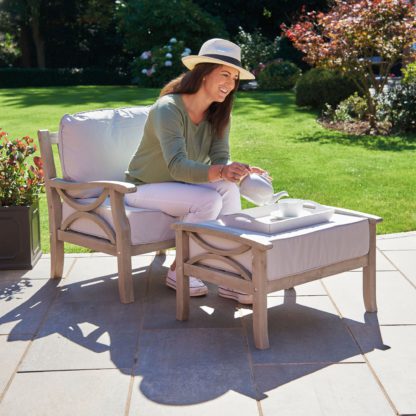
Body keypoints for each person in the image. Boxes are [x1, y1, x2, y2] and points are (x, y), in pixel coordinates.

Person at [125, 38, 267, 304]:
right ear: (203, 73)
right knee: (209, 198)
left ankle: (232, 275)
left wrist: (239, 172)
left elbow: (220, 159)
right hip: (143, 187)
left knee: (227, 187)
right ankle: (180, 271)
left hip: (182, 186)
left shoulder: (220, 112)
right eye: (224, 74)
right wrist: (223, 172)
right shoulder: (169, 108)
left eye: (235, 78)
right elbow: (177, 166)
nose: (230, 83)